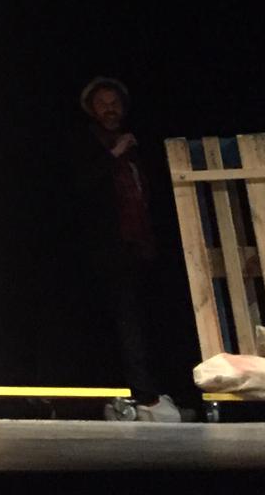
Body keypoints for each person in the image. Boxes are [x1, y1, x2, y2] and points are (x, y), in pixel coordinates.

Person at [70, 76, 184, 423]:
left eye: (115, 103)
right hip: (106, 249)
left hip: (139, 246)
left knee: (145, 320)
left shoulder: (136, 147)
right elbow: (79, 188)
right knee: (123, 321)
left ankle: (154, 390)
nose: (110, 109)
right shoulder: (87, 145)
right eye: (103, 104)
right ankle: (138, 393)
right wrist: (112, 155)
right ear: (92, 110)